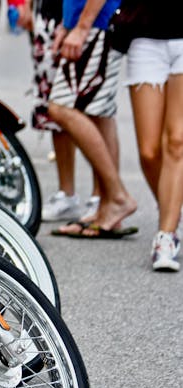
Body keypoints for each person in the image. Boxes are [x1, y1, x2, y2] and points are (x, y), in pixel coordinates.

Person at [48, 0, 137, 238]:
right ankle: (107, 207)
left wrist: (81, 27)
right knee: (100, 113)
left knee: (60, 107)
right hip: (95, 22)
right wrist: (69, 24)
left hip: (97, 23)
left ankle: (117, 197)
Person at [13, 0, 99, 222]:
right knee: (51, 108)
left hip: (83, 18)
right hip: (49, 17)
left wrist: (81, 25)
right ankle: (66, 194)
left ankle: (103, 197)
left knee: (92, 107)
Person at [124, 2, 183, 270]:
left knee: (177, 141)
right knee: (148, 152)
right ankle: (173, 208)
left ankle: (166, 235)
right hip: (145, 35)